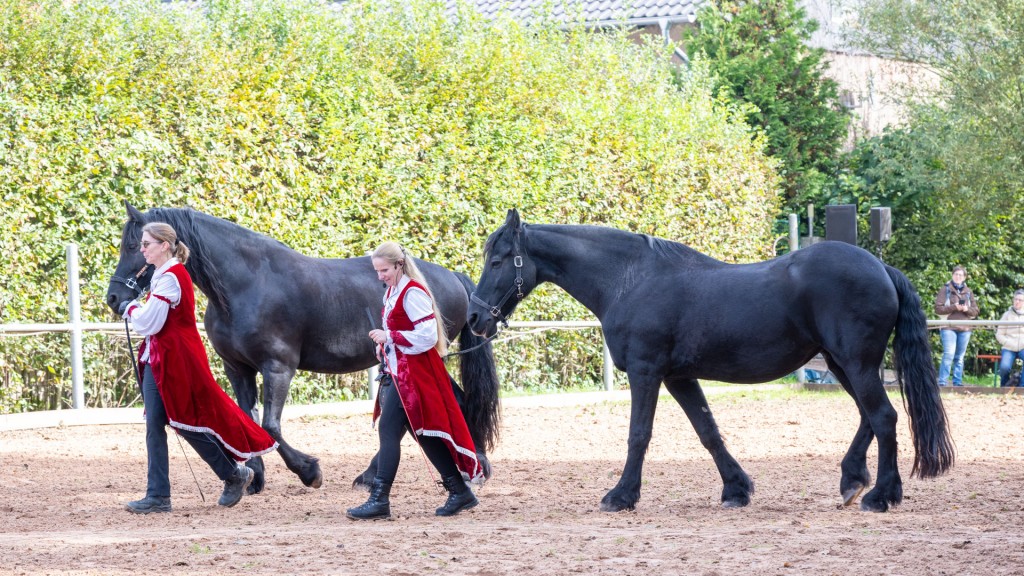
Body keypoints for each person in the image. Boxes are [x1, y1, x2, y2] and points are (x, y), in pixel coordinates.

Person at [117, 222, 278, 514]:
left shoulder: (171, 277)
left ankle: (231, 473)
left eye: (146, 244)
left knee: (182, 419)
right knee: (156, 422)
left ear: (164, 245)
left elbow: (150, 323)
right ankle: (159, 495)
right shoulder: (161, 275)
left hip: (177, 358)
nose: (142, 250)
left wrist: (130, 309)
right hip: (160, 356)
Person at [346, 242, 484, 520]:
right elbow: (400, 331)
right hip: (402, 372)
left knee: (388, 430)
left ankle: (379, 499)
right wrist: (385, 346)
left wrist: (391, 339)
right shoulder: (393, 292)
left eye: (383, 270)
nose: (379, 276)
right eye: (377, 270)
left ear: (398, 265)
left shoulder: (412, 292)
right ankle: (459, 491)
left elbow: (427, 336)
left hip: (415, 374)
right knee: (423, 433)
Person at [934, 265, 980, 387]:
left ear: (964, 277)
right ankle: (942, 382)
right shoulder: (945, 289)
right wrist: (954, 307)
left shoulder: (969, 292)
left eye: (960, 275)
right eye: (956, 274)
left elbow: (975, 311)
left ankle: (957, 382)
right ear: (952, 275)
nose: (958, 277)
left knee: (960, 357)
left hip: (965, 328)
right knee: (949, 354)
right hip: (948, 327)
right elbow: (938, 309)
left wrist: (966, 309)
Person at [995, 290, 1024, 387]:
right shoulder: (1006, 315)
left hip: (1023, 346)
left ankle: (1022, 387)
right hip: (1009, 347)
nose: (1017, 302)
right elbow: (999, 334)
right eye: (1016, 299)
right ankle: (1004, 387)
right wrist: (1007, 342)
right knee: (1004, 367)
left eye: (1020, 300)